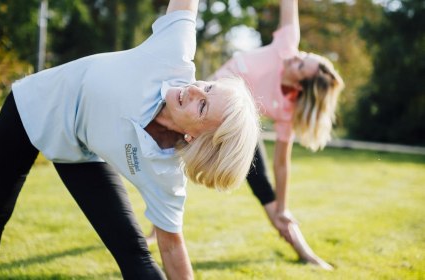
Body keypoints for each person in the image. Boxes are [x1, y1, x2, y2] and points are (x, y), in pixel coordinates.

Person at [0, 0, 260, 279]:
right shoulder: (173, 55)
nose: (194, 89)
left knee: (134, 254)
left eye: (203, 105)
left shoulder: (165, 173)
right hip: (31, 107)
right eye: (208, 87)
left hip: (78, 153)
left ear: (195, 138)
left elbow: (170, 247)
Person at [146, 0, 344, 270]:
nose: (294, 56)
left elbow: (281, 163)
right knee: (170, 166)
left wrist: (284, 206)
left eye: (300, 65)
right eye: (303, 54)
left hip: (233, 128)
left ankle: (305, 251)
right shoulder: (287, 45)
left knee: (265, 191)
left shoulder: (287, 108)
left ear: (299, 86)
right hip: (202, 106)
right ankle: (155, 233)